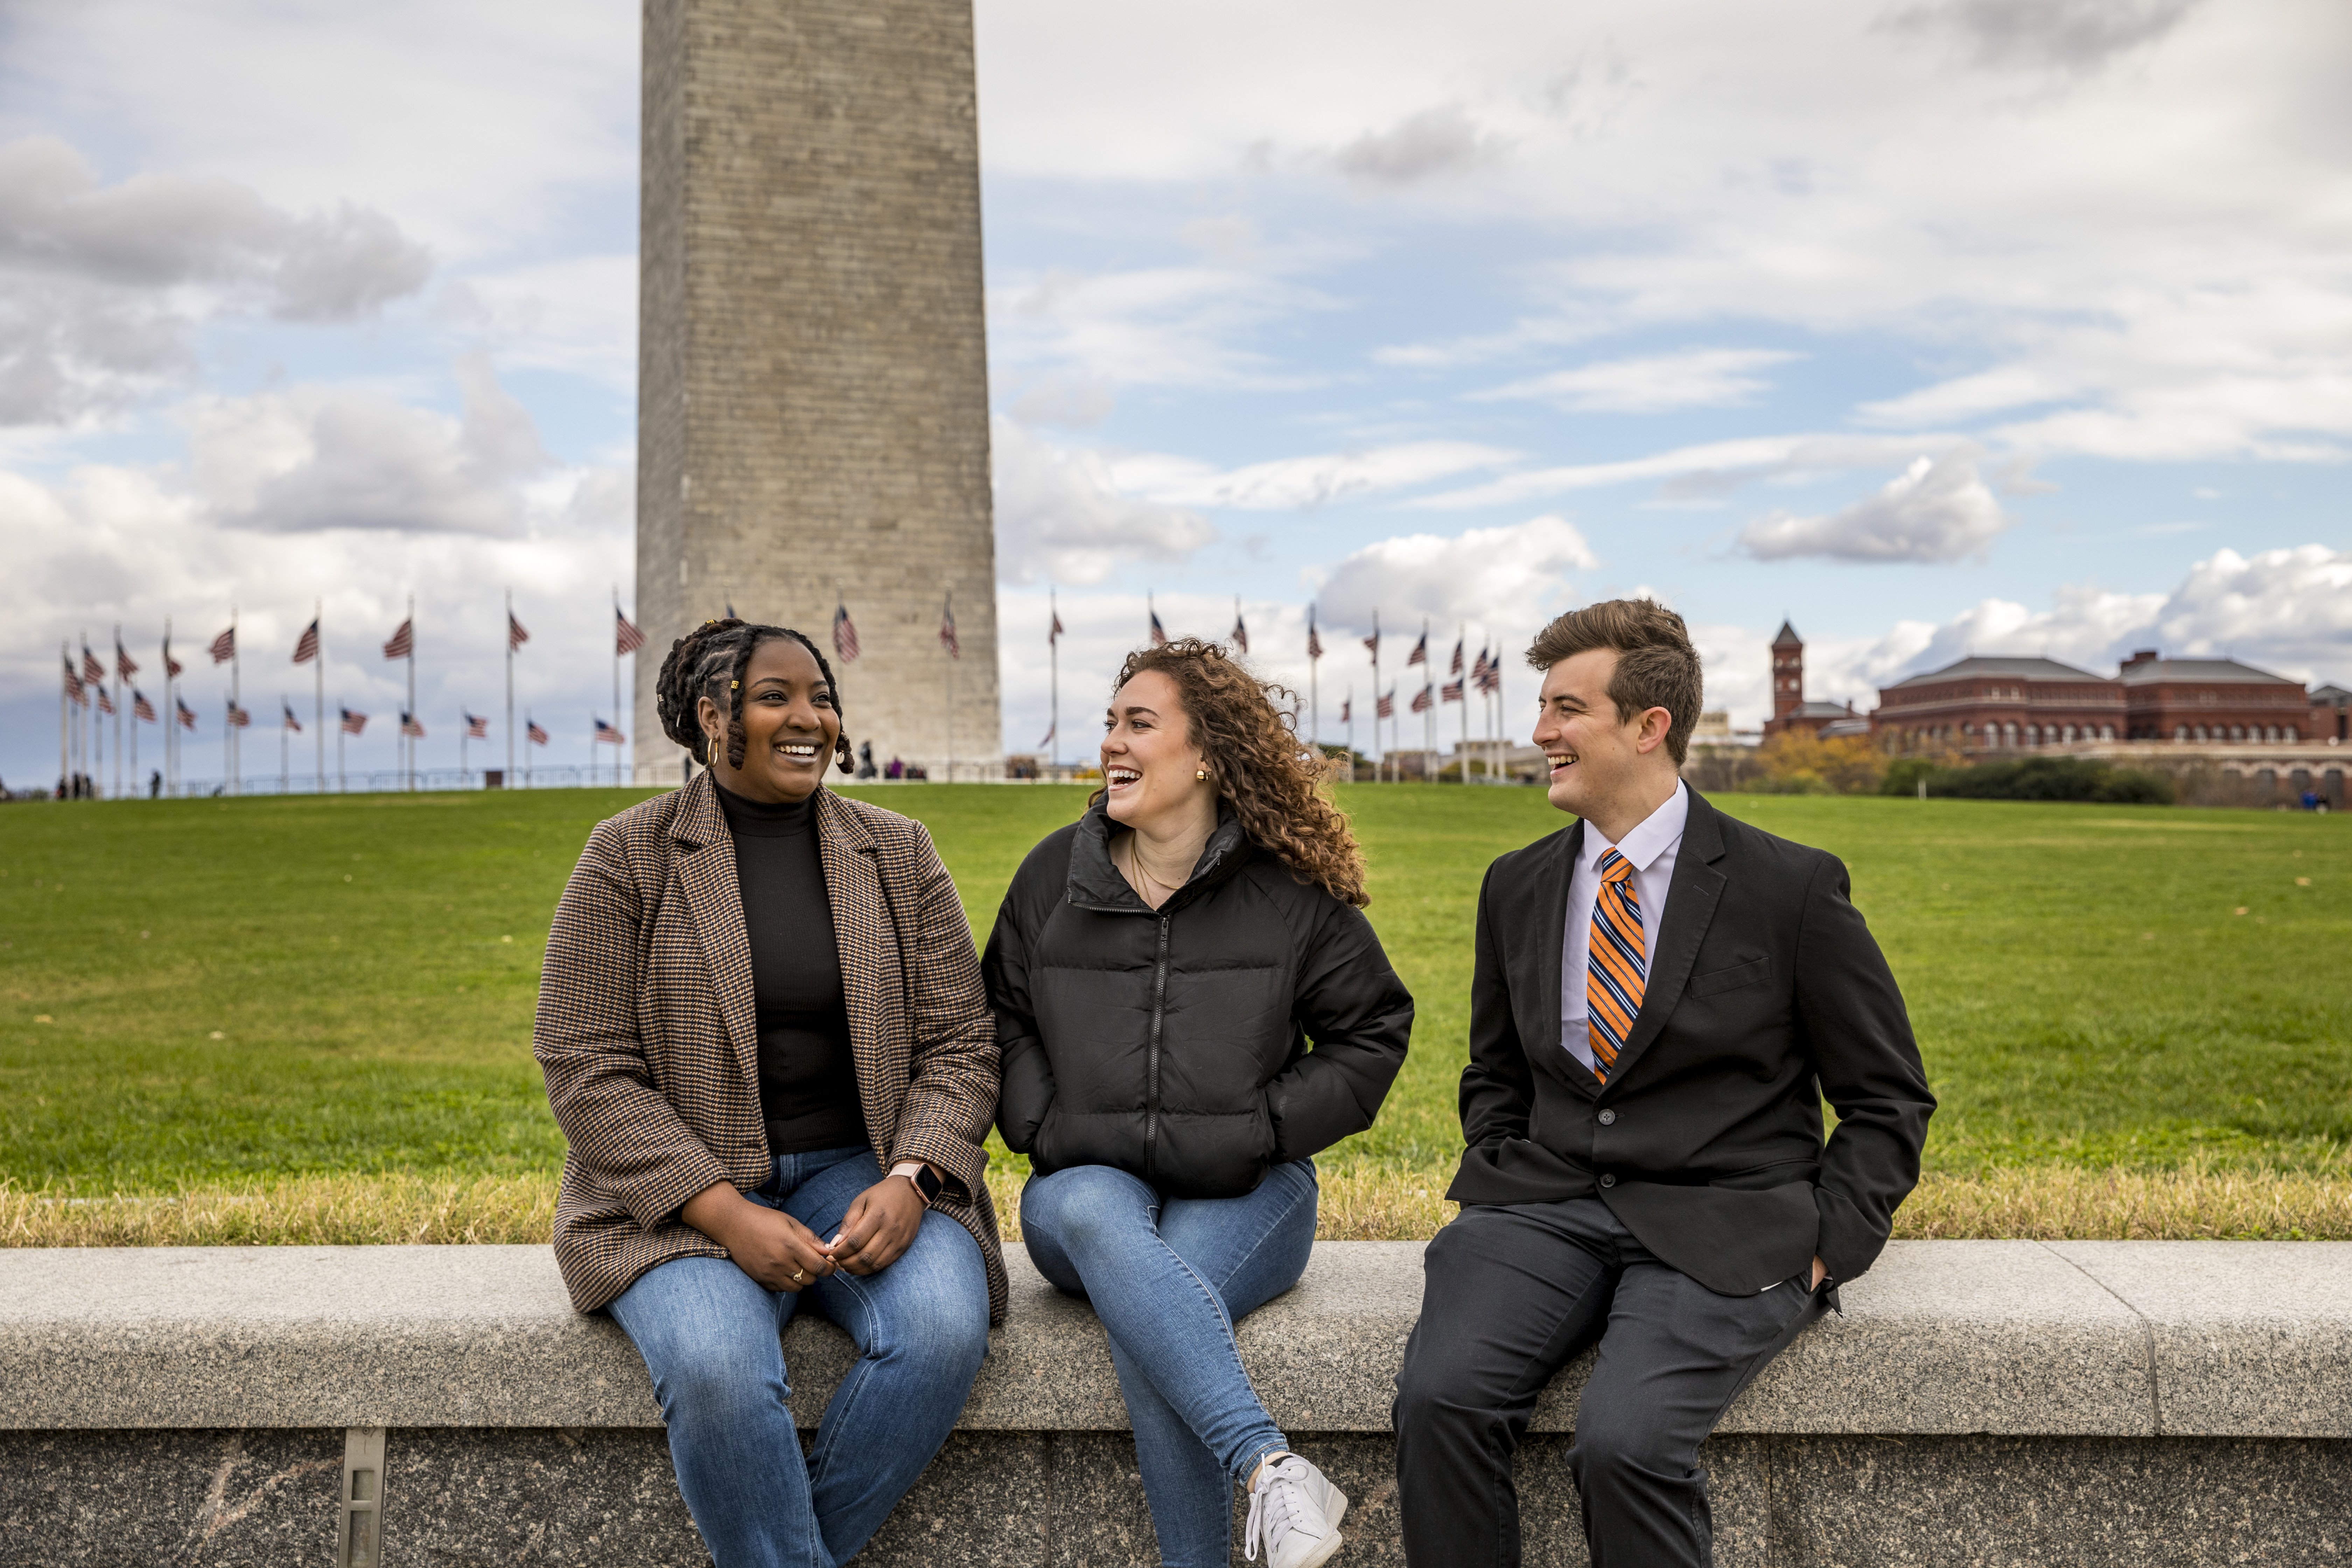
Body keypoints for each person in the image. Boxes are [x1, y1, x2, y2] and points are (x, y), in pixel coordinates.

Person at [1391, 599, 1935, 1568]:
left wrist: (1829, 1247)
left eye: (1567, 710)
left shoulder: (1791, 886)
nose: (1540, 733)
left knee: (1626, 1443)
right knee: (1441, 1402)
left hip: (1726, 1224)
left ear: (1650, 728)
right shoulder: (1515, 885)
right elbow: (1494, 1070)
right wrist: (1499, 1157)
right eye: (1543, 707)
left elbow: (1888, 1096)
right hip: (1546, 1208)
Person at [534, 617, 1003, 1568]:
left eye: (822, 698)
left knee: (942, 1331)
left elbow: (962, 1040)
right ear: (714, 718)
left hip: (859, 1171)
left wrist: (914, 1178)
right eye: (776, 697)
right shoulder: (628, 855)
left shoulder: (898, 850)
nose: (810, 718)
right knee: (717, 1370)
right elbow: (585, 1060)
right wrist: (722, 1213)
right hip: (680, 1199)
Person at [986, 638, 1415, 1568]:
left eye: (1140, 724)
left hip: (1248, 1191)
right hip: (1082, 1191)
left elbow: (1372, 1030)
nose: (1113, 744)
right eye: (1111, 724)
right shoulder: (1052, 876)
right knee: (1106, 1222)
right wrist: (1044, 1127)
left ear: (1209, 753)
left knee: (1157, 1320)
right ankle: (1269, 1469)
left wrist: (1264, 1129)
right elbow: (1002, 1015)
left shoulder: (1290, 893)